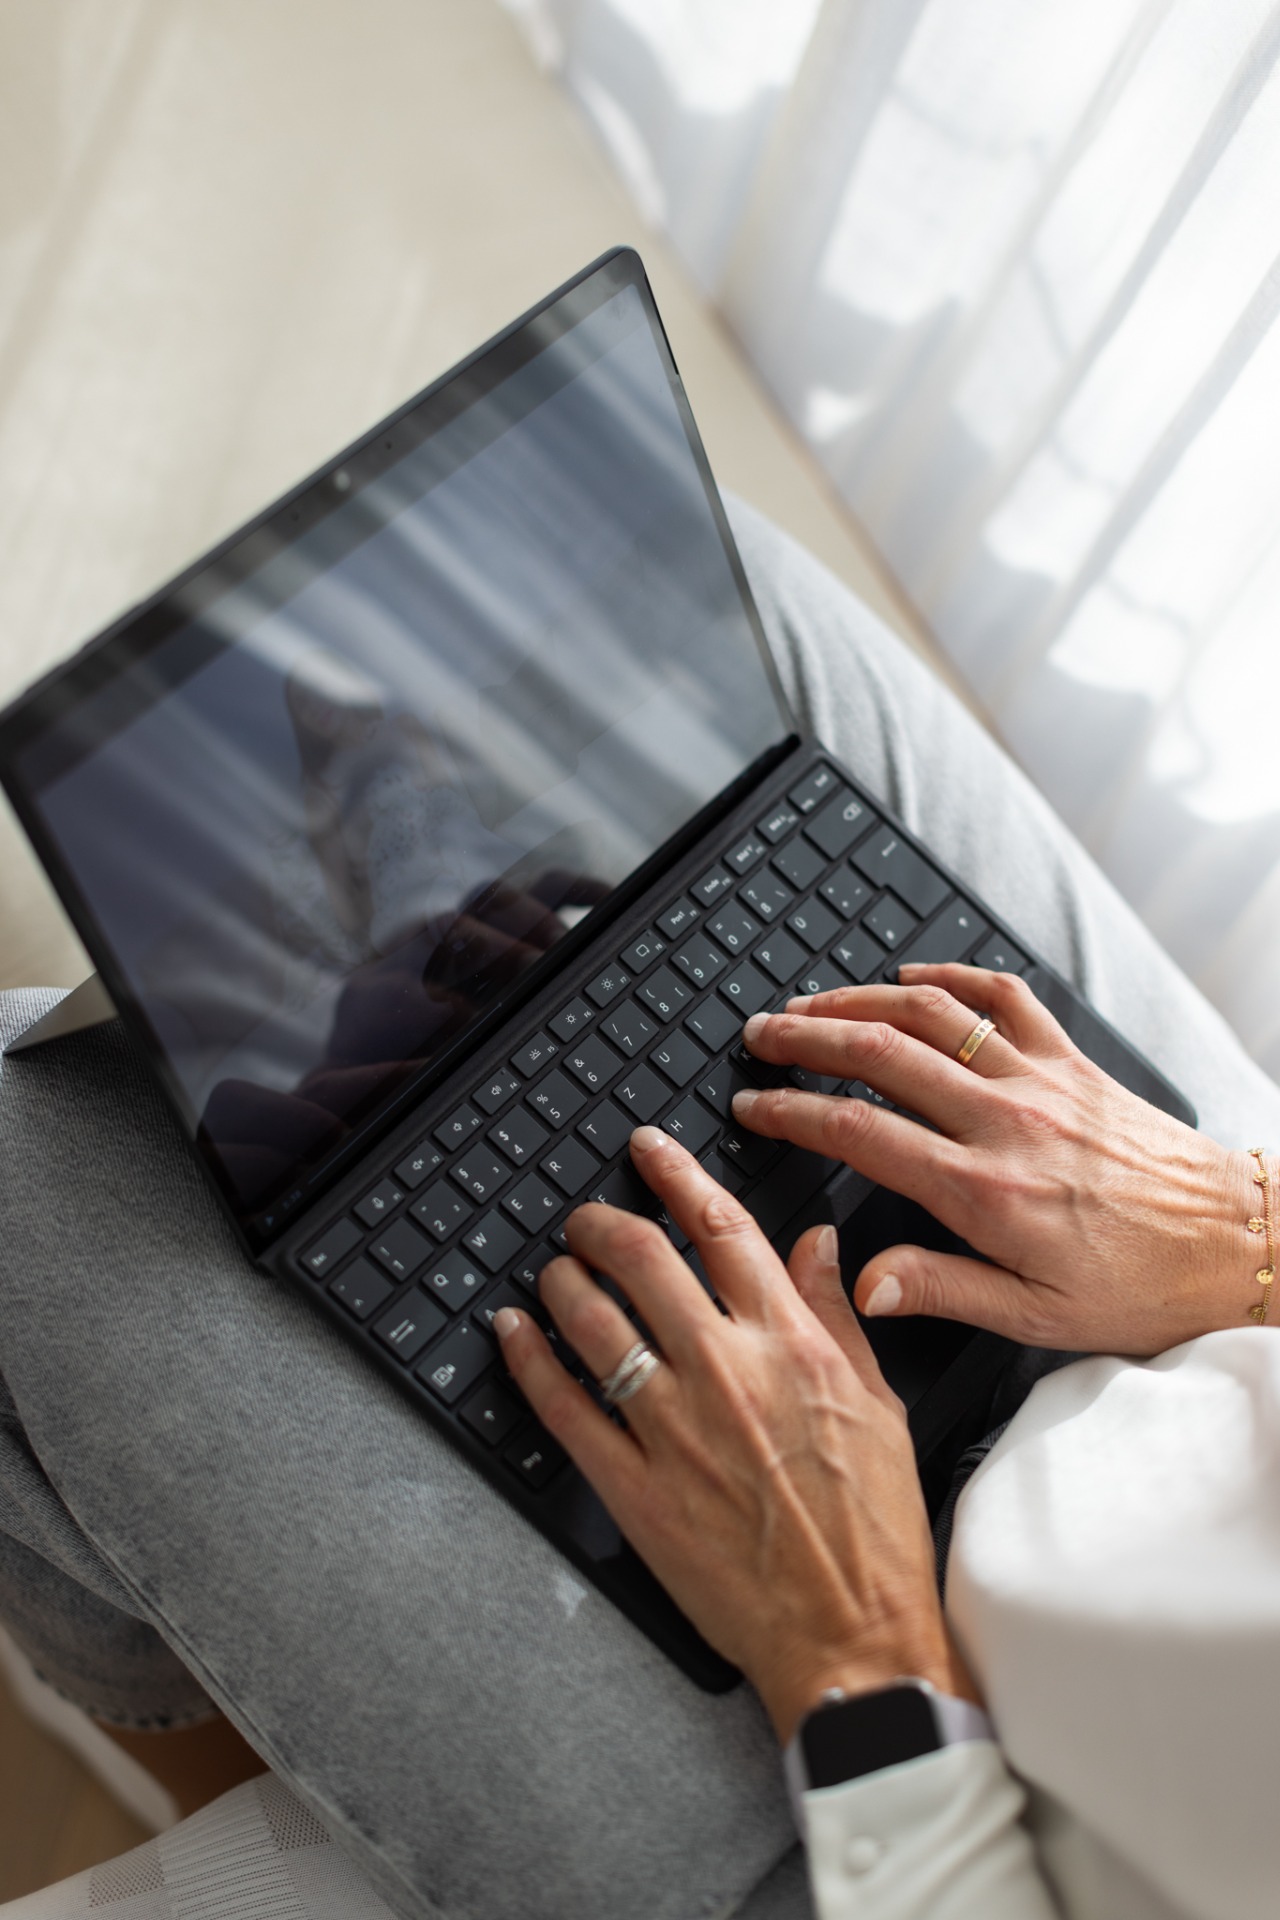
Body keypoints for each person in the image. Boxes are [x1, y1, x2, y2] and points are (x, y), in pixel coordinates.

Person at [2, 499, 1279, 1919]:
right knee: (734, 593)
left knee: (17, 1139)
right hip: (1219, 1338)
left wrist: (858, 1649)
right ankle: (436, 894)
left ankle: (174, 1727)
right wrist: (1247, 1232)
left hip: (919, 1803)